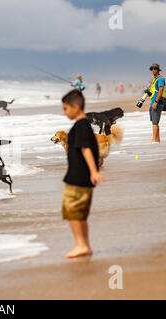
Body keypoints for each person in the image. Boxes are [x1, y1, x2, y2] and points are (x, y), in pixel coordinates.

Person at [61, 90, 104, 259]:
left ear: (76, 107)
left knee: (73, 211)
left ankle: (80, 245)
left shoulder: (81, 126)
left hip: (78, 177)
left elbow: (86, 149)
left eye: (65, 109)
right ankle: (84, 245)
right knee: (80, 213)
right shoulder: (84, 125)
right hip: (81, 176)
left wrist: (93, 171)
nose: (64, 112)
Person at [148, 63, 166, 143]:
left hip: (157, 103)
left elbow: (161, 90)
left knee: (155, 122)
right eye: (152, 69)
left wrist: (155, 101)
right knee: (155, 122)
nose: (153, 70)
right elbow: (154, 91)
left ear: (158, 70)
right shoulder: (154, 79)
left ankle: (154, 140)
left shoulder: (160, 79)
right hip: (153, 103)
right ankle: (157, 140)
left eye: (155, 69)